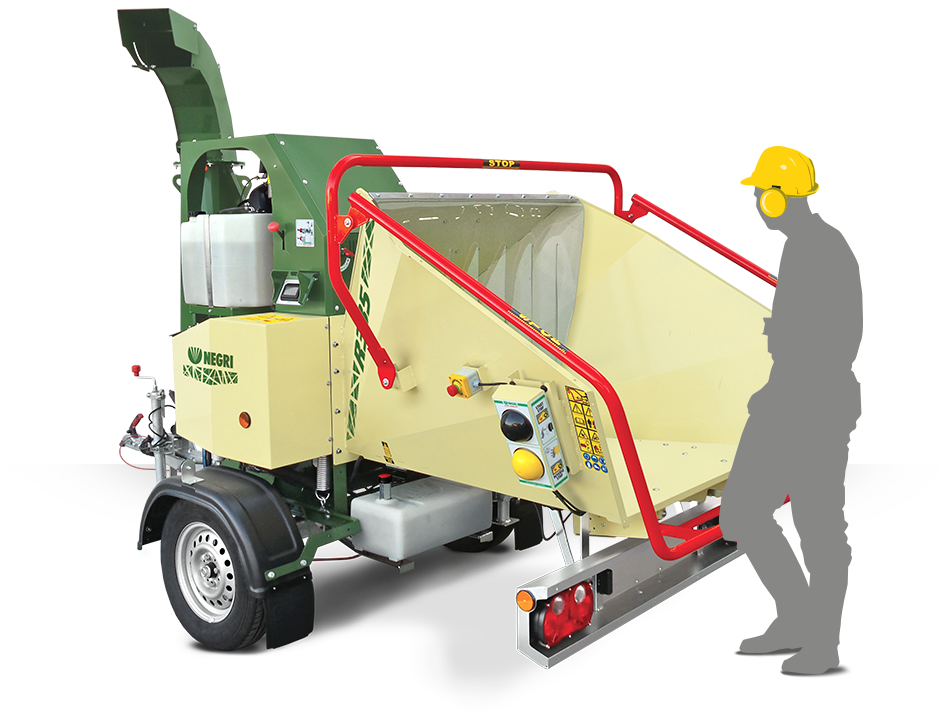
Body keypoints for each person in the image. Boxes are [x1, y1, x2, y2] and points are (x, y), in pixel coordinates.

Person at [718, 146, 862, 678]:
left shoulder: (821, 249)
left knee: (819, 528)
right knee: (743, 513)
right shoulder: (804, 246)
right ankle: (798, 618)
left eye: (761, 191)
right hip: (791, 400)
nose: (757, 200)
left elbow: (826, 343)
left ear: (781, 196)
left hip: (812, 408)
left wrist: (780, 384)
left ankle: (822, 646)